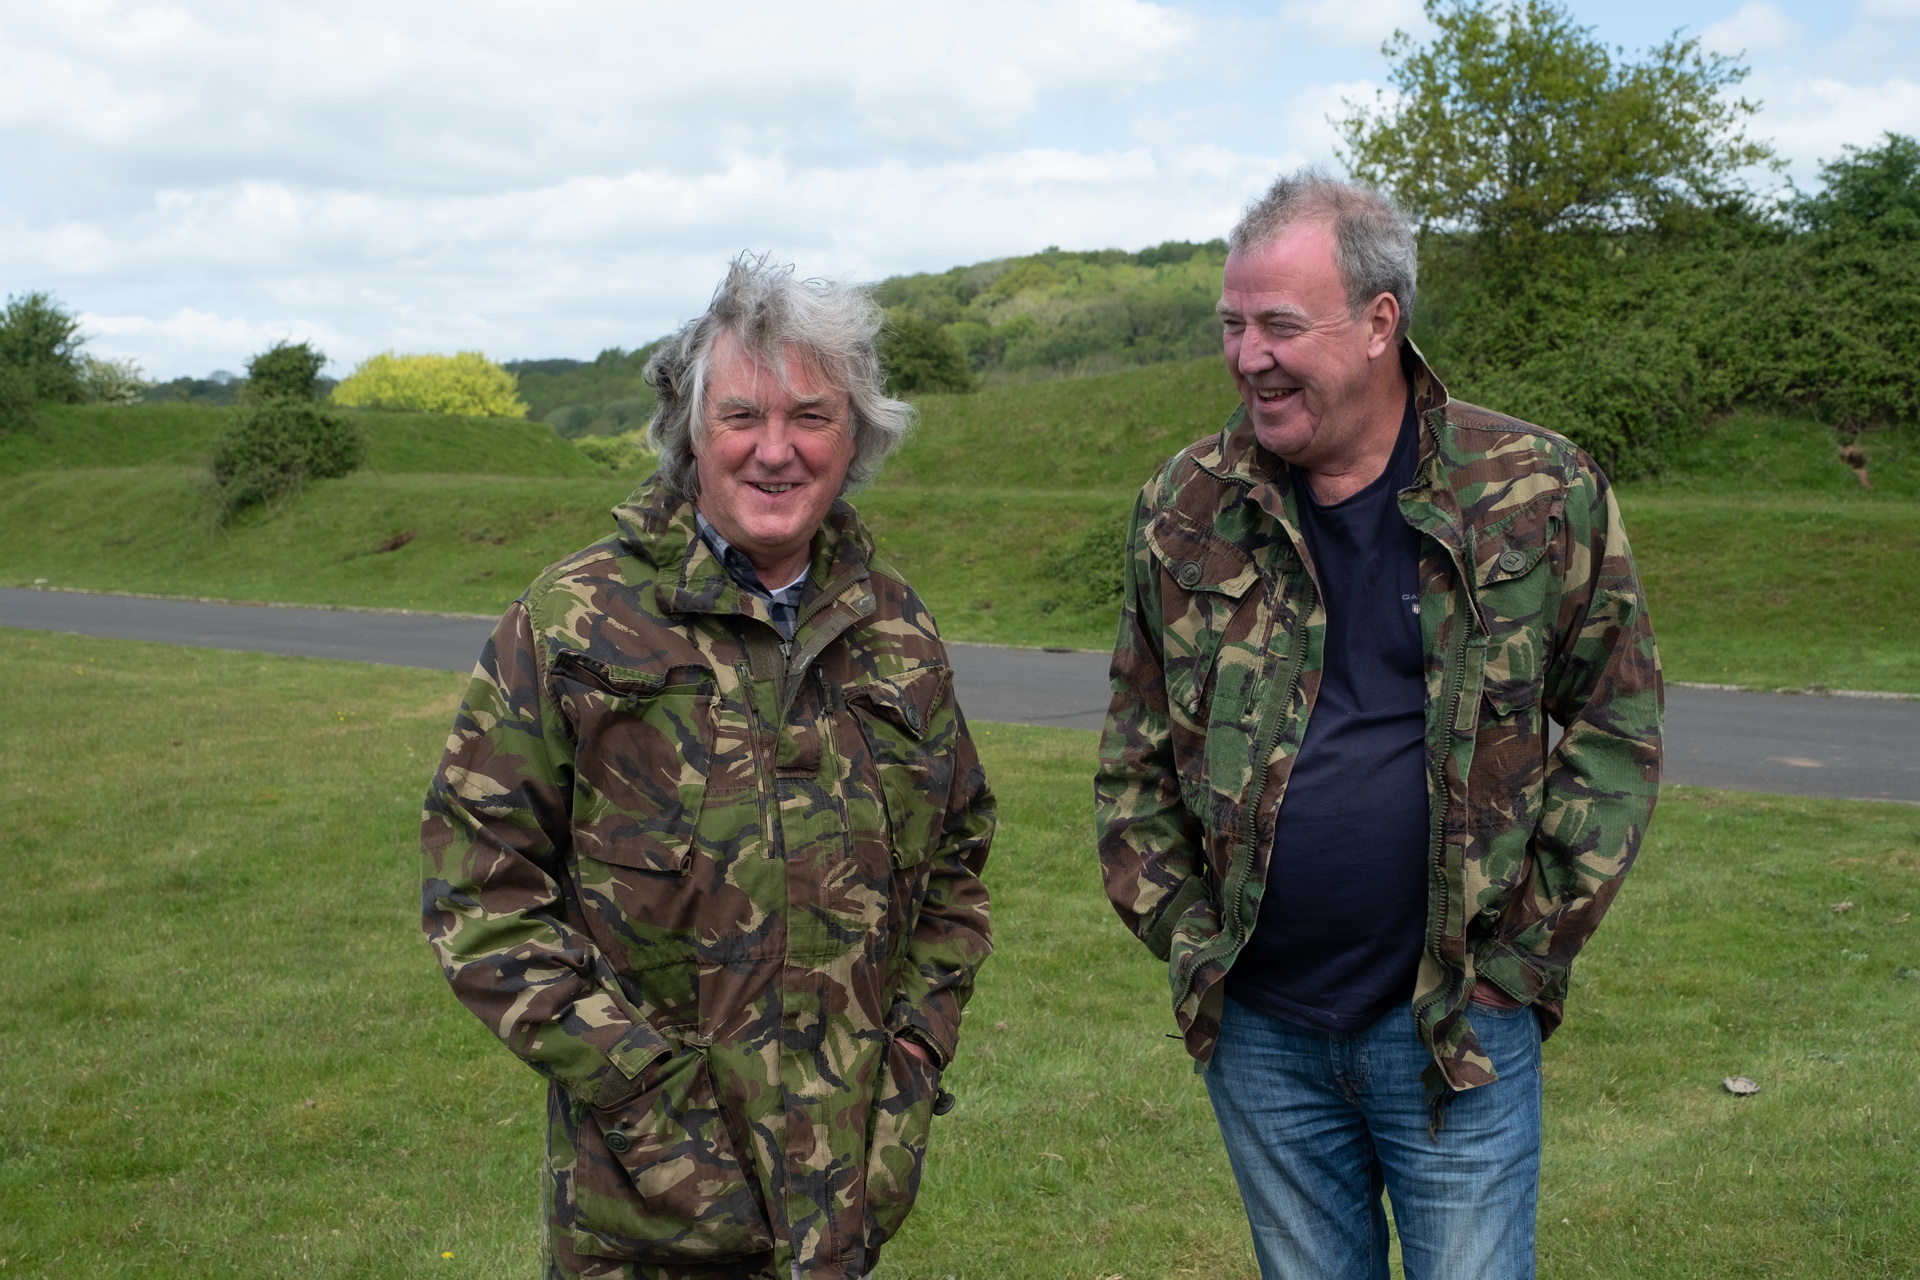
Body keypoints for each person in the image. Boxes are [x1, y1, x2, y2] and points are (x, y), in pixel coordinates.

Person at [1094, 171, 1662, 1279]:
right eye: (1232, 324)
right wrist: (1192, 937)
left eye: (1280, 325)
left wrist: (1521, 958)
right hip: (1262, 1033)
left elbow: (1615, 724)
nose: (1248, 354)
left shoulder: (1535, 490)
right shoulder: (1187, 505)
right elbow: (1133, 751)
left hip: (1457, 1025)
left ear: (1378, 324)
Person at [422, 255, 994, 1280]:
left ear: (856, 435)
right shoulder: (573, 623)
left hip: (846, 1208)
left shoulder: (897, 627)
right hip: (644, 1219)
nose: (775, 450)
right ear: (692, 433)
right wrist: (646, 1095)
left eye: (811, 416)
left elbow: (955, 865)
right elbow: (480, 890)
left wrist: (911, 1059)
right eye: (742, 416)